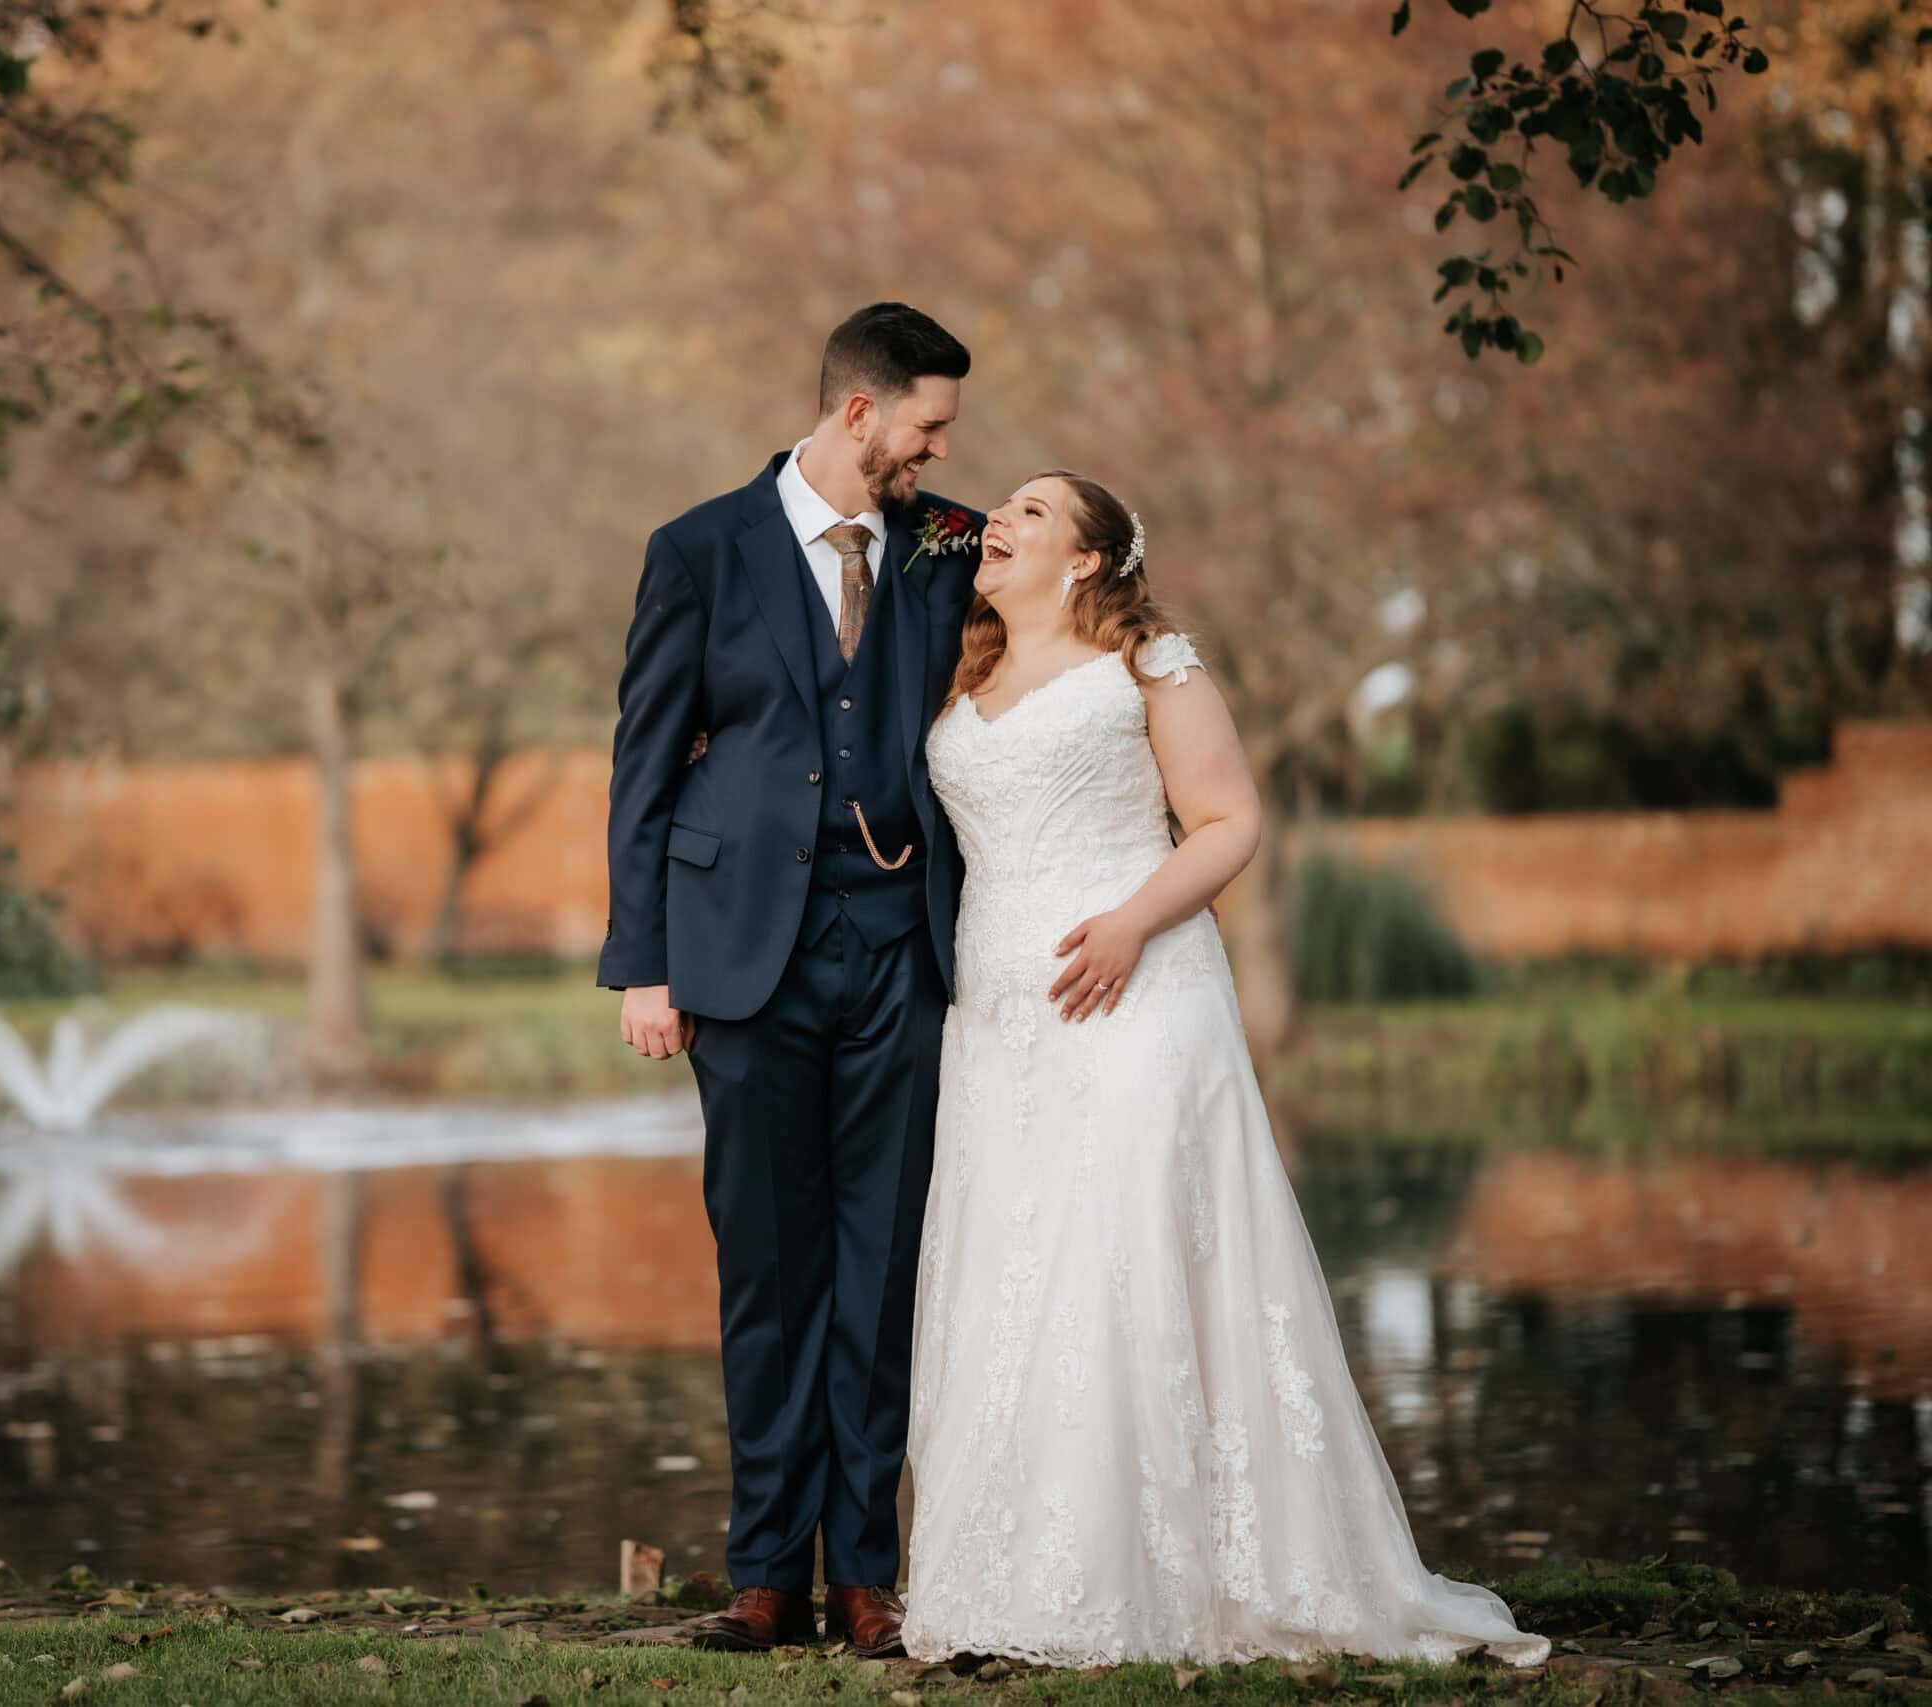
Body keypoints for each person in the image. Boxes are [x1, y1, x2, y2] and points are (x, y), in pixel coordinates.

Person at [897, 470, 1549, 1668]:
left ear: (1086, 559)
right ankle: (1013, 1579)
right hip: (998, 1015)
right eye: (1004, 507)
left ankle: (1183, 1575)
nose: (1000, 520)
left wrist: (1132, 921)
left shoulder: (1151, 664)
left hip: (1138, 992)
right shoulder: (959, 667)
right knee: (1017, 1271)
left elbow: (1231, 820)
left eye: (1035, 512)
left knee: (1126, 1251)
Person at [598, 303, 983, 1657]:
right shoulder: (698, 548)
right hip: (738, 953)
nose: (939, 452)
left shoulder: (949, 545)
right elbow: (644, 764)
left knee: (880, 1273)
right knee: (768, 1263)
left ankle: (867, 1567)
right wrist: (640, 961)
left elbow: (1065, 628)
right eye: (927, 426)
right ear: (859, 412)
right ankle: (764, 1566)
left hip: (900, 947)